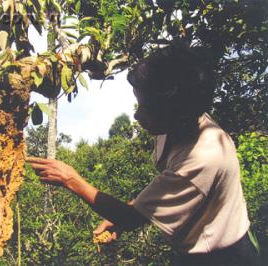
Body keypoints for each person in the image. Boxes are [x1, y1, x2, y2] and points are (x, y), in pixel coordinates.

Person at [27, 45, 261, 265]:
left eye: (146, 108)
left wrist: (70, 179)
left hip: (225, 257)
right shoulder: (177, 124)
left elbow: (132, 218)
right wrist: (120, 216)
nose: (138, 117)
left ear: (176, 112)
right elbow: (161, 191)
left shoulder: (204, 156)